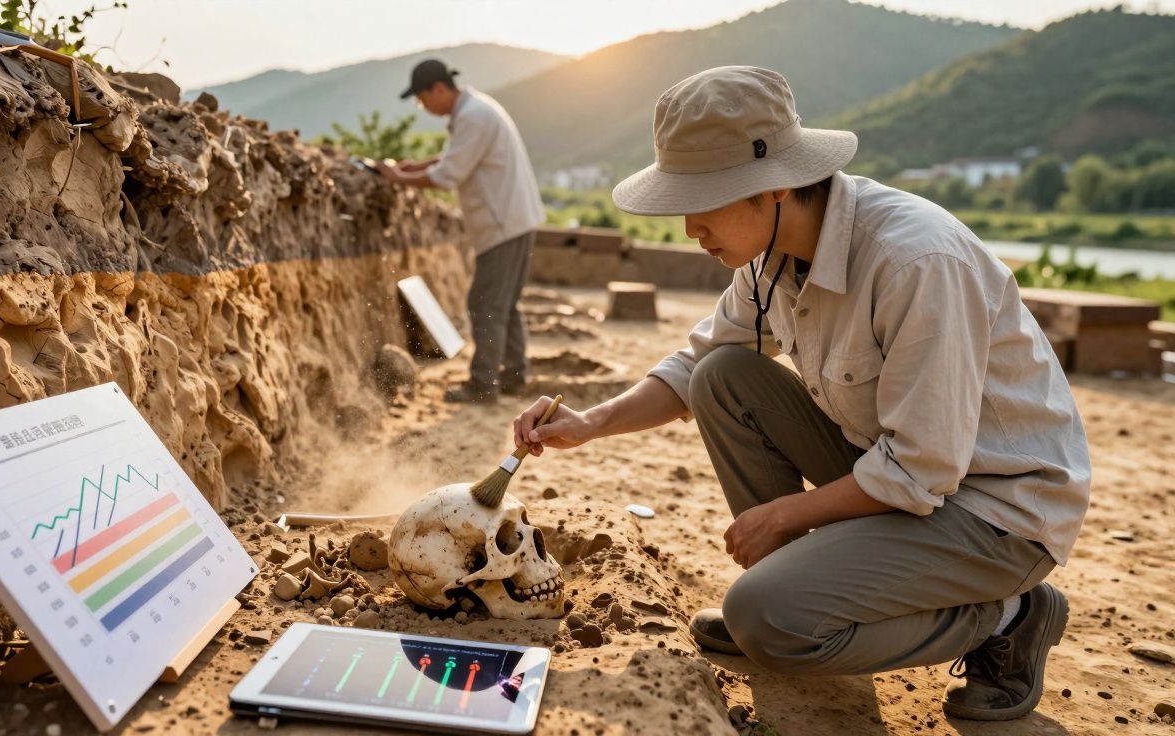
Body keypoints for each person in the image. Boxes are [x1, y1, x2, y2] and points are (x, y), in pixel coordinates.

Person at [512, 66, 1090, 722]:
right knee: (723, 376)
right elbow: (696, 363)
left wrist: (787, 514)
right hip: (901, 476)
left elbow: (924, 468)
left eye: (703, 201)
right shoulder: (773, 254)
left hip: (996, 511)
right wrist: (589, 422)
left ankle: (1006, 620)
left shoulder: (915, 262)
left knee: (763, 619)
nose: (688, 228)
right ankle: (799, 600)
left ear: (776, 186)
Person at [378, 59, 545, 404]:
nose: (423, 106)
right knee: (505, 304)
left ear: (439, 88)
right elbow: (455, 158)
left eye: (423, 99)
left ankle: (483, 385)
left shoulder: (472, 116)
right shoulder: (477, 110)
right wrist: (417, 166)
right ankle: (514, 376)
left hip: (502, 225)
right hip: (514, 220)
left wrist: (397, 177)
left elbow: (447, 176)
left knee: (485, 304)